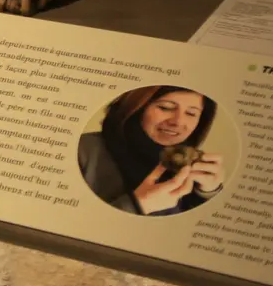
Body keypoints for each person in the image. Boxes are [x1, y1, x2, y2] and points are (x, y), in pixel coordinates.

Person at [77, 87, 224, 215]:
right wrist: (138, 205)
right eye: (165, 108)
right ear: (137, 108)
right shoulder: (82, 150)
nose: (178, 122)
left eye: (191, 113)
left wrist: (208, 194)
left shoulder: (193, 163)